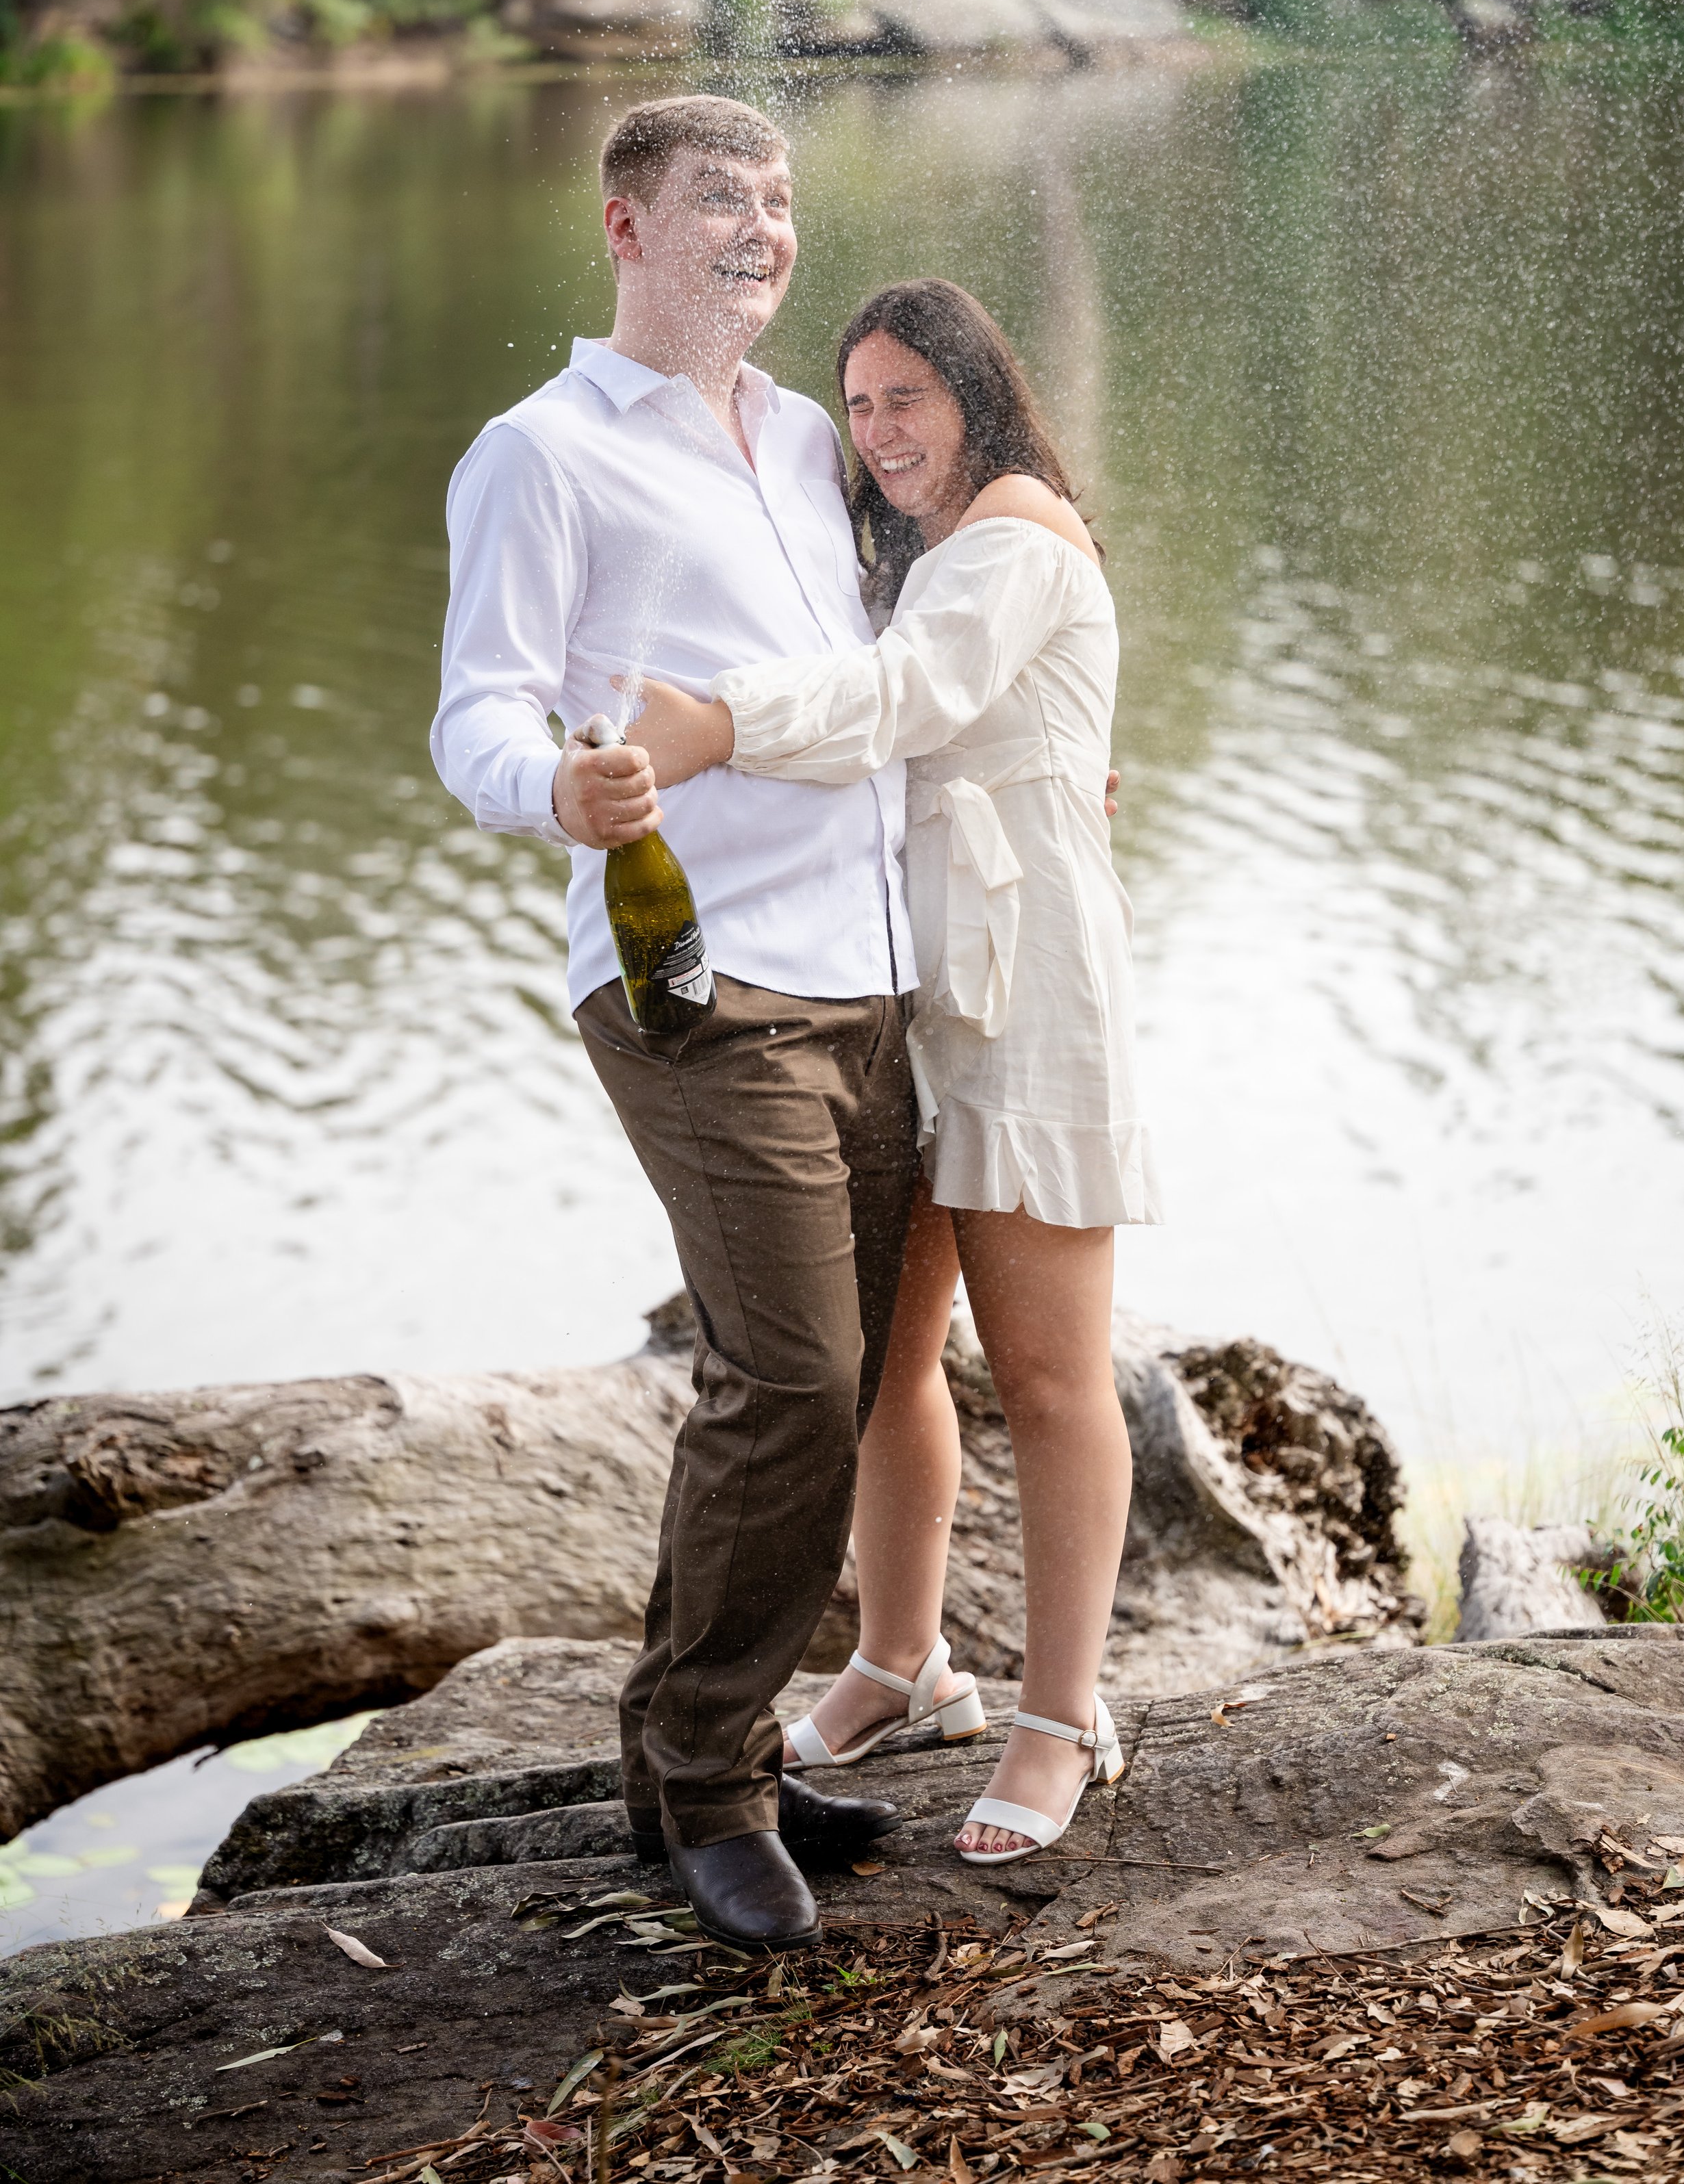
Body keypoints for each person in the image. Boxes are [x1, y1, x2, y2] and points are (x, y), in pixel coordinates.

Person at [431, 97, 924, 1951]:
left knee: (830, 1378)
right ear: (626, 227)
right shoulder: (541, 453)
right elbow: (475, 704)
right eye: (722, 200)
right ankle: (705, 1787)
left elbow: (879, 672)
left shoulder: (809, 435)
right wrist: (549, 790)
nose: (762, 229)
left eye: (780, 200)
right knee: (791, 1370)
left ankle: (696, 1739)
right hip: (691, 977)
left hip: (872, 964)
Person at [628, 279, 1159, 1863]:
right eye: (854, 409)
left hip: (1026, 995)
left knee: (1052, 1376)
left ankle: (1060, 1716)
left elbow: (903, 699)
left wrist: (713, 723)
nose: (876, 435)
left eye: (904, 398)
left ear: (975, 392)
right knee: (881, 1361)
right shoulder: (926, 556)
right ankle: (898, 1662)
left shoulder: (1011, 527)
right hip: (895, 986)